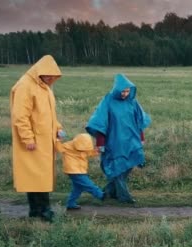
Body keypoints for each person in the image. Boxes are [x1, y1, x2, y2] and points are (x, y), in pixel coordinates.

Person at [10, 55, 65, 222]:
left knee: (38, 177)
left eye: (52, 76)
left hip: (44, 142)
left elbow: (48, 115)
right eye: (47, 75)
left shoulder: (44, 87)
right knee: (35, 177)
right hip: (33, 144)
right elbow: (20, 116)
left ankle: (37, 211)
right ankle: (43, 211)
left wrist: (58, 128)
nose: (50, 79)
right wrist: (28, 139)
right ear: (39, 71)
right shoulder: (25, 86)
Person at [86, 73, 151, 203]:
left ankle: (108, 192)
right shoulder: (108, 101)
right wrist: (100, 143)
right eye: (123, 91)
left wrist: (141, 138)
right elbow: (100, 123)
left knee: (129, 166)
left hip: (131, 140)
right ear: (116, 89)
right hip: (114, 142)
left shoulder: (133, 102)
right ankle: (124, 197)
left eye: (127, 91)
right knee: (117, 169)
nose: (125, 94)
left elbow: (139, 121)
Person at [55, 133, 105, 210]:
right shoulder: (67, 146)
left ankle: (70, 204)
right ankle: (101, 195)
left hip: (81, 170)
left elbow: (89, 153)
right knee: (88, 184)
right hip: (73, 171)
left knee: (78, 188)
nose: (82, 150)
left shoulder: (85, 147)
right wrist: (58, 139)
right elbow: (58, 148)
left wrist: (97, 151)